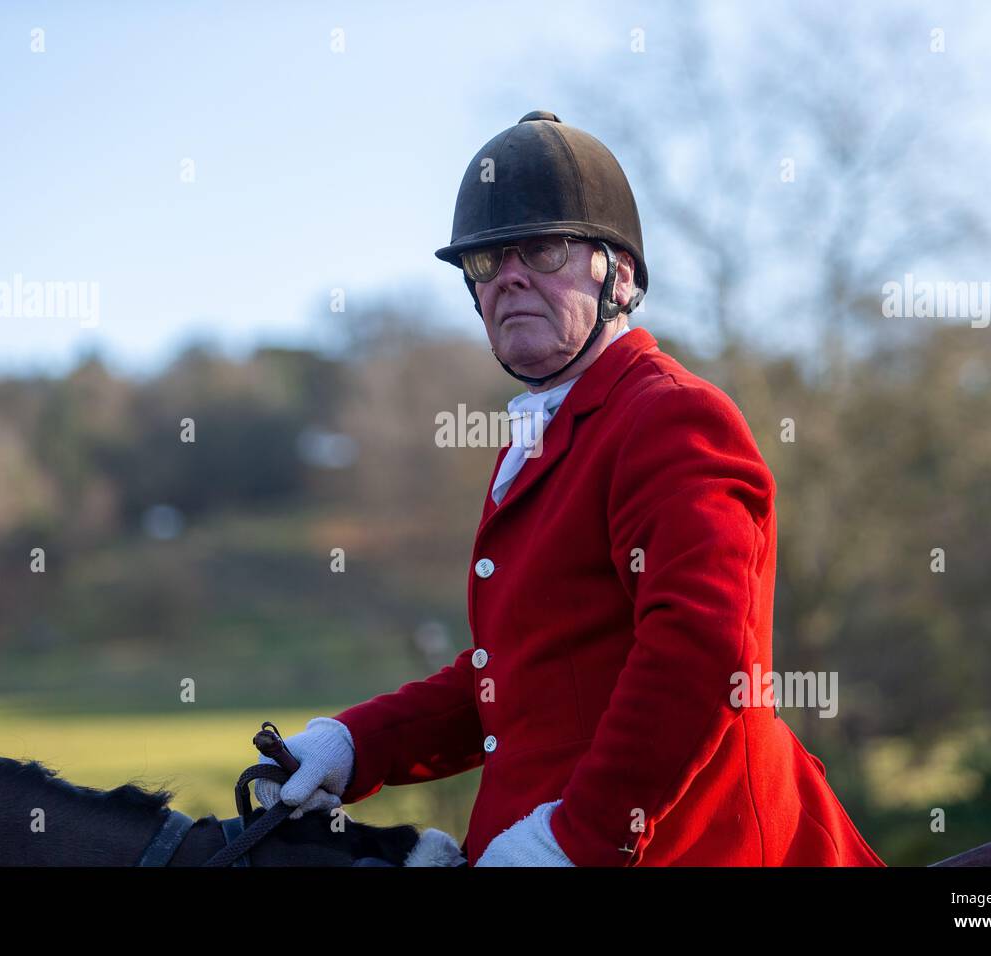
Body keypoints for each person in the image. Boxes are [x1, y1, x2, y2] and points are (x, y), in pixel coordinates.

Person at [256, 111, 886, 867]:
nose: (511, 274)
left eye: (544, 248)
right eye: (489, 260)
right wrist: (355, 744)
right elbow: (520, 680)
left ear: (618, 275)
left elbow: (703, 653)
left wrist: (579, 837)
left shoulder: (671, 415)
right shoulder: (543, 437)